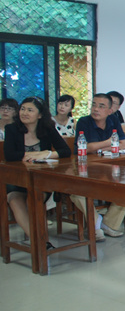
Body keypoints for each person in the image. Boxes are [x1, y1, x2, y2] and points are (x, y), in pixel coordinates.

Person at [4, 97, 71, 244]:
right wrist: (33, 154)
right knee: (15, 199)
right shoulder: (12, 129)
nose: (24, 113)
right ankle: (40, 242)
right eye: (22, 109)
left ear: (40, 115)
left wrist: (46, 154)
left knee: (33, 199)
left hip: (40, 180)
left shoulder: (48, 129)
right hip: (17, 179)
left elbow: (65, 151)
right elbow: (9, 155)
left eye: (30, 110)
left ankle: (39, 241)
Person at [72, 93, 125, 240]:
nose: (96, 109)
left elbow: (123, 144)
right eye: (94, 105)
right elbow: (85, 147)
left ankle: (109, 224)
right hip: (86, 169)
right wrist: (109, 142)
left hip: (109, 168)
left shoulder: (113, 120)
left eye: (101, 106)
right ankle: (96, 223)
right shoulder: (84, 122)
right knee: (76, 192)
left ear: (110, 110)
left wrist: (98, 147)